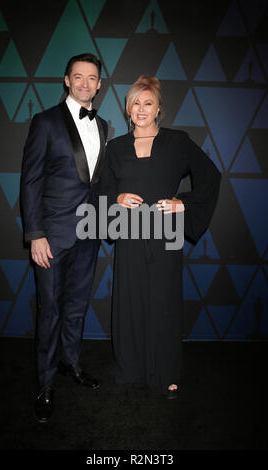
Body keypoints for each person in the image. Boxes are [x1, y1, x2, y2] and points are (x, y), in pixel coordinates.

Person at [101, 76, 221, 399]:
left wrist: (182, 203)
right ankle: (131, 368)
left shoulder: (177, 142)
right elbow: (101, 187)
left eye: (148, 103)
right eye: (136, 103)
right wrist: (116, 199)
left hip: (164, 235)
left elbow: (210, 176)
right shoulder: (115, 148)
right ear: (128, 109)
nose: (141, 109)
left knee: (164, 303)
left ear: (159, 109)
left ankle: (166, 372)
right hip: (128, 234)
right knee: (130, 300)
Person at [21, 53, 108, 422]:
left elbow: (97, 181)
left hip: (89, 233)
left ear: (99, 84)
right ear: (66, 80)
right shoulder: (45, 122)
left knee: (76, 307)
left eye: (92, 78)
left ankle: (70, 364)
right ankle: (44, 386)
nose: (85, 83)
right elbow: (30, 181)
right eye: (79, 77)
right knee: (51, 312)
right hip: (52, 236)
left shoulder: (104, 126)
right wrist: (36, 234)